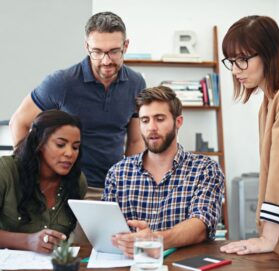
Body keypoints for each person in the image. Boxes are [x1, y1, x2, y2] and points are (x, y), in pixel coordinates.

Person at [9, 11, 146, 199]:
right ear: (86, 47)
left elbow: (135, 140)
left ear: (126, 46)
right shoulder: (62, 82)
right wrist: (29, 174)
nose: (106, 61)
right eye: (97, 52)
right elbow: (19, 122)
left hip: (115, 187)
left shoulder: (137, 83)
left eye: (114, 51)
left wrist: (130, 181)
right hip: (67, 188)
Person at [103, 86, 224, 258]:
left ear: (178, 122)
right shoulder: (118, 174)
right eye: (145, 120)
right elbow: (107, 231)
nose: (151, 127)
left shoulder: (205, 169)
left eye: (159, 119)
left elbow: (201, 226)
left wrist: (155, 239)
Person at [219, 15, 279, 264]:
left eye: (243, 60)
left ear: (268, 54)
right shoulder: (269, 101)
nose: (235, 70)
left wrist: (267, 238)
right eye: (231, 61)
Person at [0, 110, 87, 253]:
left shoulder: (77, 181)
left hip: (55, 268)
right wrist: (28, 241)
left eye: (75, 147)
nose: (69, 153)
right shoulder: (6, 171)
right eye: (60, 144)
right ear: (38, 143)